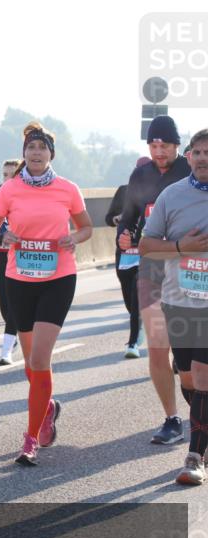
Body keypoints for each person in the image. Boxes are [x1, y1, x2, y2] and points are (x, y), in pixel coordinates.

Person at [0, 122, 93, 465]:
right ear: (24, 153)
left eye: (42, 147)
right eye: (31, 147)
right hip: (19, 280)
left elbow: (87, 227)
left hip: (58, 278)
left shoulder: (67, 189)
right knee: (31, 364)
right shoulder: (9, 189)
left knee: (40, 360)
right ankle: (47, 407)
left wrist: (73, 238)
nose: (36, 152)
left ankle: (29, 440)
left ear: (51, 154)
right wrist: (3, 238)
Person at [117, 115, 192, 445]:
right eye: (153, 145)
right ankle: (172, 419)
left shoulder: (191, 171)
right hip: (152, 269)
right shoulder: (141, 174)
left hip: (190, 271)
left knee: (191, 359)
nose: (159, 151)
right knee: (157, 347)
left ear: (177, 145)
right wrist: (123, 235)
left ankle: (198, 414)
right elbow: (129, 218)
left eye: (165, 145)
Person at [139, 128, 208, 485]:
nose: (202, 158)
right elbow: (146, 245)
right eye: (198, 152)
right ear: (189, 156)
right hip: (179, 300)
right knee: (188, 378)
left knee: (202, 374)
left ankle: (194, 457)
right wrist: (181, 247)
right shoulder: (172, 195)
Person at [108, 157, 153, 359]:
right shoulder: (124, 191)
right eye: (138, 170)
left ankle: (133, 341)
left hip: (146, 253)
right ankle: (139, 325)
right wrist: (116, 219)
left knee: (138, 294)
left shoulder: (160, 192)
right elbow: (109, 217)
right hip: (125, 254)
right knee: (130, 300)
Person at [0, 159, 21, 365]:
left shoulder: (27, 195)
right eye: (4, 175)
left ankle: (6, 349)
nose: (8, 179)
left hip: (21, 254)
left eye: (13, 175)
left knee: (14, 301)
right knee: (4, 302)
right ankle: (14, 333)